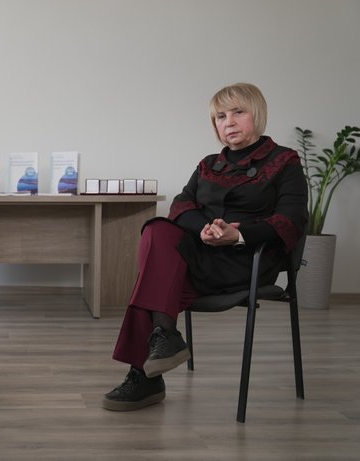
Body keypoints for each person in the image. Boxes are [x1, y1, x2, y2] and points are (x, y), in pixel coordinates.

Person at [102, 82, 308, 411]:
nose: (229, 122)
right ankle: (164, 339)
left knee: (153, 282)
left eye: (238, 112)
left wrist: (237, 236)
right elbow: (181, 206)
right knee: (157, 230)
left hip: (247, 261)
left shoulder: (285, 161)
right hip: (203, 255)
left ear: (257, 113)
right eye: (220, 116)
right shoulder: (208, 164)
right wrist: (206, 230)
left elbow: (291, 220)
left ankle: (145, 377)